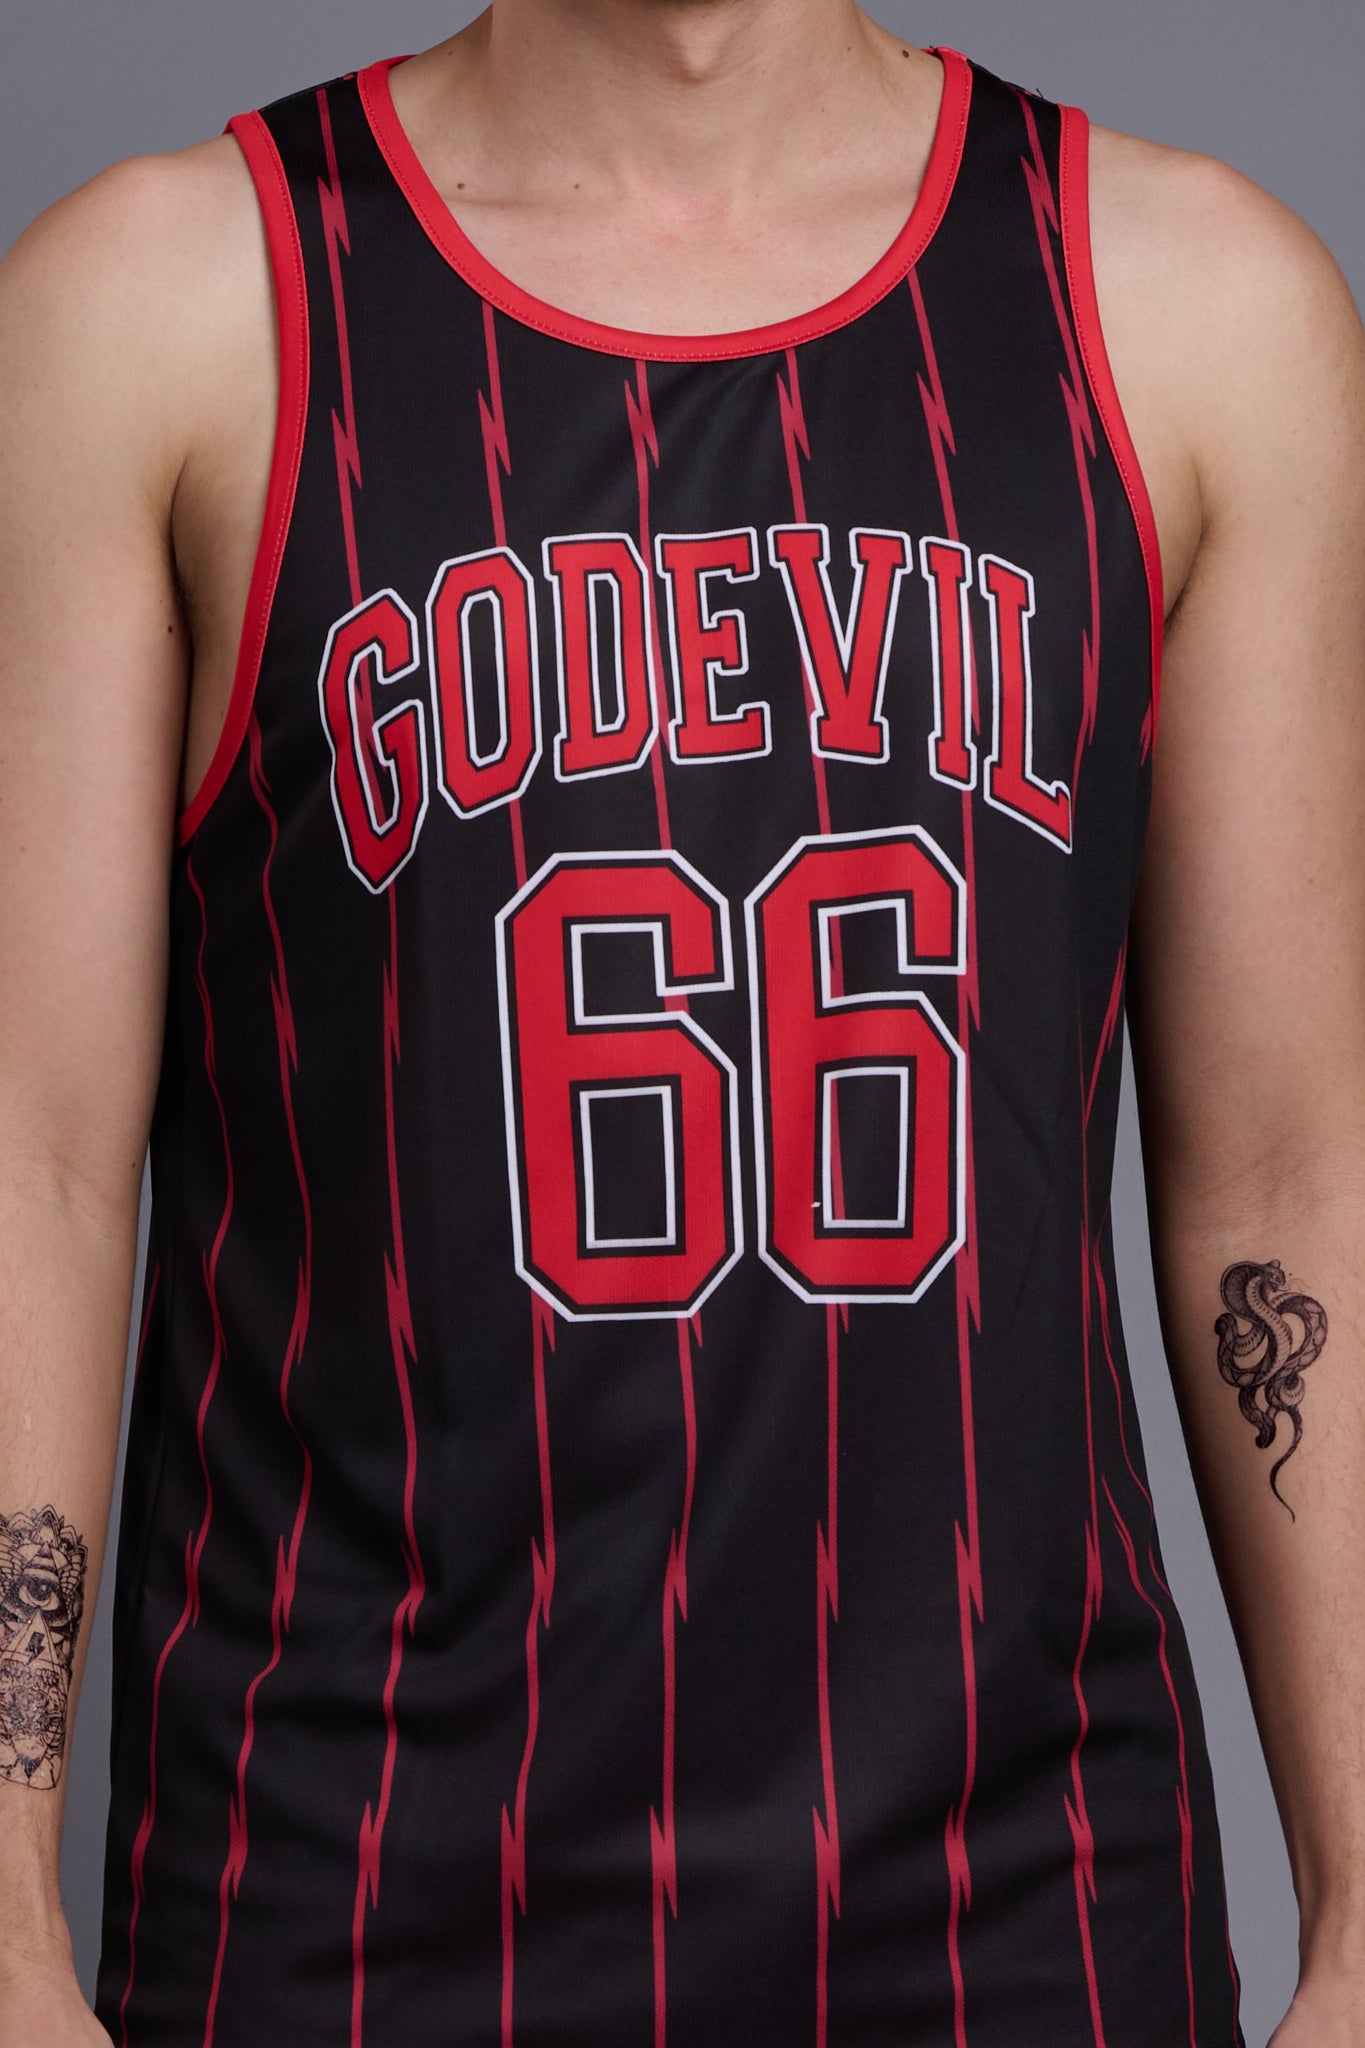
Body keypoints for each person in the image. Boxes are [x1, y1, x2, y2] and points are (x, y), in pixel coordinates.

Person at [1, 0, 1363, 2041]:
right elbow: (29, 1164)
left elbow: (1286, 1184)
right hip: (347, 1920)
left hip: (1023, 1923)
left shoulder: (1191, 307)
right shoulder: (162, 308)